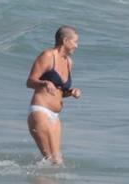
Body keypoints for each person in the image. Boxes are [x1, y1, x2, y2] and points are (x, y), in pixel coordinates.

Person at [26, 26, 82, 165]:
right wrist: (43, 83)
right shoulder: (48, 56)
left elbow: (59, 92)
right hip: (41, 111)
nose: (77, 46)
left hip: (55, 116)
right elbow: (30, 82)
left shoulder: (69, 62)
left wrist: (71, 92)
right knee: (52, 160)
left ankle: (37, 175)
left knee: (58, 161)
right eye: (75, 42)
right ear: (65, 40)